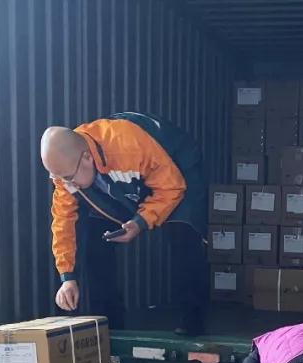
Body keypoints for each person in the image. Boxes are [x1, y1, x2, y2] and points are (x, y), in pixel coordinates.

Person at [39, 113, 208, 334]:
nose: (67, 184)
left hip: (175, 167)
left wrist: (140, 222)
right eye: (58, 179)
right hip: (119, 179)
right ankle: (109, 327)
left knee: (183, 233)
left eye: (69, 178)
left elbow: (171, 187)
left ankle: (193, 323)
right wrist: (67, 277)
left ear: (87, 158)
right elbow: (63, 223)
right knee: (96, 240)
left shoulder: (126, 146)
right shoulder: (68, 172)